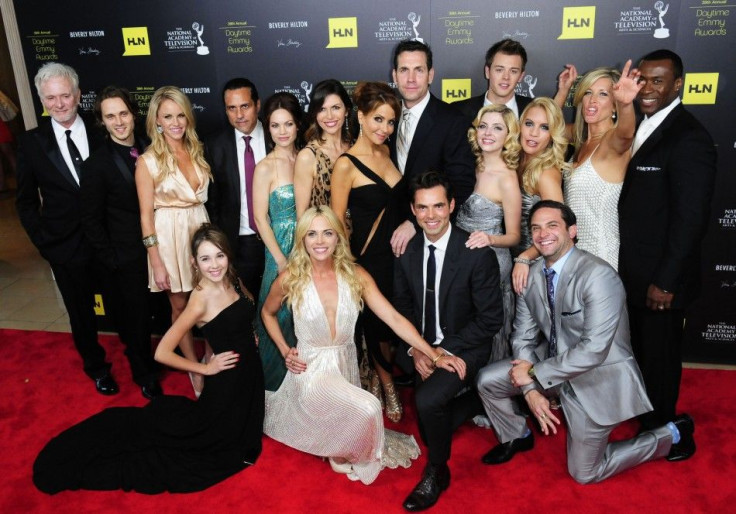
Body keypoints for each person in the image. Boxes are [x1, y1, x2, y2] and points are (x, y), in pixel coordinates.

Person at [475, 200, 696, 485]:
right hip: (552, 367)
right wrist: (530, 390)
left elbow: (593, 351)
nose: (543, 234)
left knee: (585, 472)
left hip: (594, 377)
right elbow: (522, 336)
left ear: (572, 230)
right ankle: (517, 435)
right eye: (536, 228)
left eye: (552, 225)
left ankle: (672, 433)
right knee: (488, 380)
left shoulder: (598, 276)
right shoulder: (531, 277)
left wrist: (532, 374)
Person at [33, 224, 265, 494]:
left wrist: (250, 336)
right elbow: (162, 352)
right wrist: (204, 368)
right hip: (226, 381)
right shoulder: (200, 299)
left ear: (228, 255)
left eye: (219, 256)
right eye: (205, 258)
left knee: (244, 430)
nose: (214, 265)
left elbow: (246, 307)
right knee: (215, 442)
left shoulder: (232, 278)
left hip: (249, 371)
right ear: (194, 262)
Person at [262, 206, 466, 485]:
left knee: (355, 409)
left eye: (327, 233)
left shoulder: (355, 275)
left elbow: (393, 318)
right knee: (370, 407)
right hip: (310, 370)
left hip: (345, 365)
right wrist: (286, 350)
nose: (320, 241)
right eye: (312, 234)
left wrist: (433, 354)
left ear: (338, 238)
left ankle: (336, 441)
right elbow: (267, 313)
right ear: (302, 240)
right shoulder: (290, 278)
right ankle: (338, 451)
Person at [619, 49, 716, 431]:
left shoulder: (689, 137)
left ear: (678, 85)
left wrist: (666, 281)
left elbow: (691, 219)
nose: (648, 88)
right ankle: (647, 417)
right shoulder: (638, 123)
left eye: (658, 80)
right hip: (632, 271)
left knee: (659, 357)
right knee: (641, 353)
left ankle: (662, 431)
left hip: (661, 280)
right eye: (643, 79)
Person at [394, 171, 503, 511]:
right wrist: (416, 350)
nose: (431, 216)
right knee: (430, 423)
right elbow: (402, 308)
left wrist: (441, 351)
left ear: (452, 205)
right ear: (413, 209)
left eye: (439, 206)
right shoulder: (407, 251)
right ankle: (476, 401)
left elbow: (490, 320)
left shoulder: (474, 252)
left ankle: (436, 471)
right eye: (423, 208)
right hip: (421, 343)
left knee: (427, 402)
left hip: (465, 345)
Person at [15, 63, 115, 394]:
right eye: (51, 98)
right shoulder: (31, 143)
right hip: (65, 247)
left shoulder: (105, 131)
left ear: (78, 95)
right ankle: (96, 367)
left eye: (65, 96)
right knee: (81, 314)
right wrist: (45, 243)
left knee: (128, 305)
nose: (59, 104)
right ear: (42, 100)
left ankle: (142, 363)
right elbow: (26, 201)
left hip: (109, 241)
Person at [79, 86, 161, 399]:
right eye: (110, 116)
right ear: (102, 121)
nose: (119, 121)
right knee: (136, 321)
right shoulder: (96, 164)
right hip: (125, 259)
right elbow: (91, 219)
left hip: (158, 249)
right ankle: (145, 375)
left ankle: (165, 358)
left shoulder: (152, 147)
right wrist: (112, 259)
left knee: (160, 312)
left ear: (133, 114)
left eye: (123, 113)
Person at [331, 82, 406, 422]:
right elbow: (335, 222)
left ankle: (378, 376)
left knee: (392, 324)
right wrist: (346, 266)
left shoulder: (387, 153)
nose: (384, 129)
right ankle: (388, 385)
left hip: (400, 258)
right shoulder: (345, 164)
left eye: (390, 122)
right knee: (375, 324)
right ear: (359, 116)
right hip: (368, 257)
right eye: (378, 119)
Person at [135, 86, 212, 397]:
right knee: (180, 306)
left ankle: (209, 355)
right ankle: (193, 367)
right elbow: (145, 216)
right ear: (157, 121)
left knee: (208, 300)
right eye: (168, 116)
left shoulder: (196, 150)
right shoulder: (148, 161)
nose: (176, 122)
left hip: (200, 228)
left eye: (181, 115)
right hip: (169, 236)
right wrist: (156, 260)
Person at [388, 39, 476, 257]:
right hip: (388, 238)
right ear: (394, 75)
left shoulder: (453, 120)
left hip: (433, 238)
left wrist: (414, 222)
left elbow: (461, 182)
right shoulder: (386, 118)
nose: (410, 79)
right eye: (404, 70)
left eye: (418, 70)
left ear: (431, 75)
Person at [554, 61, 642, 270]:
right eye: (588, 93)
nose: (592, 100)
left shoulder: (612, 142)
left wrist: (626, 105)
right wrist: (563, 91)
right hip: (573, 254)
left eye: (603, 94)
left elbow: (625, 135)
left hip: (601, 256)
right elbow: (547, 124)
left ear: (614, 104)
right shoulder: (580, 139)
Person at [456, 105, 522, 362]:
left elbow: (514, 236)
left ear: (509, 136)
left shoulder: (507, 178)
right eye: (483, 126)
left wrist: (489, 238)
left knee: (485, 331)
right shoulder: (466, 164)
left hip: (492, 261)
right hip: (461, 259)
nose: (488, 133)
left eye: (497, 128)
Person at [252, 92, 301, 391]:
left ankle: (301, 383)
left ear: (298, 126)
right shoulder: (265, 166)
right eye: (275, 125)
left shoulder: (306, 157)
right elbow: (260, 218)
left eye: (288, 124)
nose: (282, 132)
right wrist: (281, 260)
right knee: (279, 313)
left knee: (303, 315)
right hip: (279, 249)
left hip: (311, 246)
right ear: (268, 129)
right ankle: (272, 385)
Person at [205, 78, 268, 297]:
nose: (239, 115)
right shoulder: (215, 146)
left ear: (257, 105)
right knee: (245, 308)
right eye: (232, 108)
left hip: (280, 240)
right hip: (239, 243)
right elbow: (212, 202)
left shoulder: (278, 135)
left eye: (245, 106)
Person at [510, 97, 567, 295]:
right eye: (529, 124)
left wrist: (525, 257)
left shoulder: (545, 174)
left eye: (544, 127)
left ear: (552, 135)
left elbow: (557, 231)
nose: (534, 133)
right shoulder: (515, 161)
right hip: (514, 261)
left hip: (535, 267)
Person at [294, 79, 352, 219]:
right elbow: (302, 215)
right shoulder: (308, 156)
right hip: (327, 237)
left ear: (346, 111)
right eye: (322, 109)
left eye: (336, 108)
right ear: (315, 114)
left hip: (360, 234)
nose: (329, 116)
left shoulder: (355, 147)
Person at [454, 39, 532, 123]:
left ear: (521, 76)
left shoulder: (535, 109)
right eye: (499, 70)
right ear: (487, 72)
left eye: (513, 71)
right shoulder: (458, 111)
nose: (506, 77)